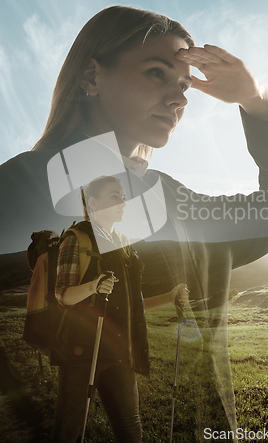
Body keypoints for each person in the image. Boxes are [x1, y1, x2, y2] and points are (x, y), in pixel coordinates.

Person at [0, 5, 268, 442]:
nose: (179, 99)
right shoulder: (20, 184)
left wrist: (256, 98)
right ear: (92, 77)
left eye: (185, 85)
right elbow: (0, 355)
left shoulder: (169, 199)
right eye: (157, 73)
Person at [51, 175, 188, 443]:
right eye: (115, 196)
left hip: (119, 351)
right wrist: (93, 286)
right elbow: (62, 295)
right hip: (82, 352)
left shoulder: (124, 245)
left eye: (124, 196)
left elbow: (134, 306)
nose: (124, 201)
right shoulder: (77, 238)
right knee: (69, 431)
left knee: (130, 431)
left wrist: (170, 297)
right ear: (93, 203)